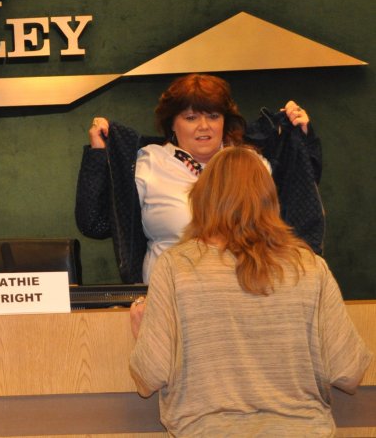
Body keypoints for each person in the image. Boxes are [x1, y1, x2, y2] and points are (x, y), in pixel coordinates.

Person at [128, 147, 371, 435]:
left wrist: (143, 334)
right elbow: (349, 372)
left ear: (202, 199)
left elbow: (150, 377)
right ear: (269, 200)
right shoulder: (309, 268)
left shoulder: (176, 267)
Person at [74, 73, 323, 283]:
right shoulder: (147, 163)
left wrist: (302, 140)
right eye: (191, 117)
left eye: (213, 116)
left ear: (225, 121)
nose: (204, 126)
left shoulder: (253, 164)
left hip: (247, 299)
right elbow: (95, 223)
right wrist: (99, 154)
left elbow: (299, 202)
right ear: (172, 124)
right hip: (167, 303)